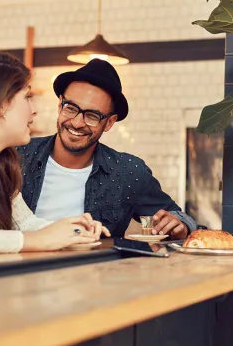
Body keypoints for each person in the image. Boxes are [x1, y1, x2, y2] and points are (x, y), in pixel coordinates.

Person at [17, 59, 196, 238]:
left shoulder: (128, 172)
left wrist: (178, 226)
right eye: (71, 108)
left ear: (109, 122)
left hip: (96, 266)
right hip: (18, 265)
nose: (77, 123)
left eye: (92, 116)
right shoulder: (16, 156)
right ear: (60, 105)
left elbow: (177, 218)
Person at [0, 51, 109, 255]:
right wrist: (37, 240)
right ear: (0, 104)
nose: (34, 110)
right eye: (27, 97)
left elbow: (25, 223)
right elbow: (32, 237)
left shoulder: (2, 163)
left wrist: (75, 231)